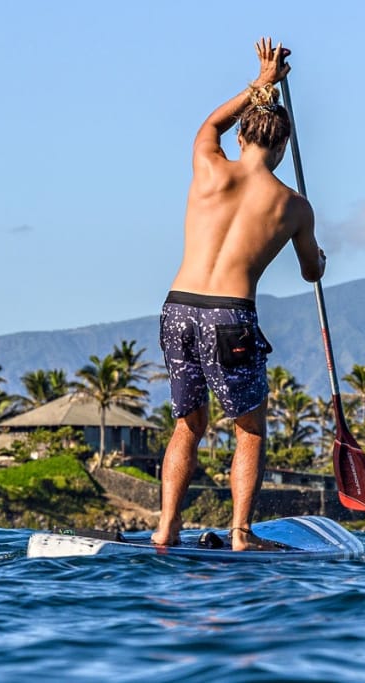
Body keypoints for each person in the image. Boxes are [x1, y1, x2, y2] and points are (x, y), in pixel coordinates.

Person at [152, 38, 326, 551]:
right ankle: (241, 534)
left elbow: (210, 124)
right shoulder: (294, 205)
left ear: (243, 132)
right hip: (230, 318)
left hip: (177, 308)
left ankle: (165, 528)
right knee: (248, 428)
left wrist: (259, 84)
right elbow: (310, 272)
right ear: (282, 147)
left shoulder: (208, 164)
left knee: (188, 425)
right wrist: (320, 260)